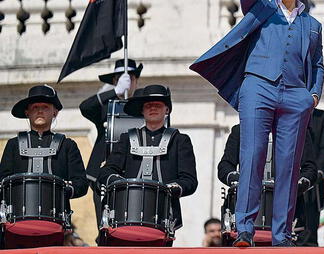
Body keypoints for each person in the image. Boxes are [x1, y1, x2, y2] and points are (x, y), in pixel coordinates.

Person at [190, 0, 324, 247]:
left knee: (289, 168)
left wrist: (314, 95)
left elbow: (318, 65)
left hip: (296, 95)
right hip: (258, 88)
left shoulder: (314, 25)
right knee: (251, 157)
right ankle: (245, 230)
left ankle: (281, 234)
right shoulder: (261, 9)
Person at [98, 85, 198, 243]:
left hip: (163, 217)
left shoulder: (180, 140)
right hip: (125, 216)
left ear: (167, 110)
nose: (152, 108)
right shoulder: (126, 138)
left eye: (158, 105)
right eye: (148, 105)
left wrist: (170, 188)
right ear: (142, 111)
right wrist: (119, 182)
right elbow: (106, 172)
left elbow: (189, 180)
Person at [0, 85, 89, 216]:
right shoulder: (13, 145)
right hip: (18, 218)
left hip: (56, 218)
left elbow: (81, 183)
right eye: (35, 107)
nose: (40, 111)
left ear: (55, 112)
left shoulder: (67, 145)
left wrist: (60, 190)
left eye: (45, 107)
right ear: (27, 112)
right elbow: (3, 181)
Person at [79, 58, 142, 226]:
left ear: (136, 80)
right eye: (120, 77)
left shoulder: (144, 107)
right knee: (105, 228)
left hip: (135, 174)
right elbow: (85, 107)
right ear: (115, 81)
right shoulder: (105, 107)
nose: (127, 81)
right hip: (103, 174)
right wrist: (115, 91)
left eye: (130, 78)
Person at [298, 108, 324, 246]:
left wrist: (313, 175)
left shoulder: (323, 117)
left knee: (309, 232)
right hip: (288, 179)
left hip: (312, 183)